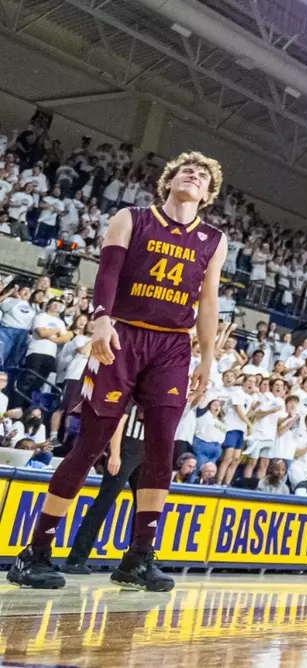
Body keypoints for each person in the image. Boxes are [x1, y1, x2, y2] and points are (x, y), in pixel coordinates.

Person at [7, 152, 224, 592]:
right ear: (170, 181)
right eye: (187, 170)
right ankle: (35, 553)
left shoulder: (213, 239)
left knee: (162, 451)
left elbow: (208, 301)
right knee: (89, 445)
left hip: (172, 346)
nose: (194, 176)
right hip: (122, 335)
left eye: (202, 176)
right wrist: (101, 317)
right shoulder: (132, 217)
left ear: (208, 194)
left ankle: (139, 558)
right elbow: (107, 272)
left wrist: (207, 358)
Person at [61, 405, 147, 575]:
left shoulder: (163, 396)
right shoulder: (136, 392)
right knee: (104, 502)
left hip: (146, 451)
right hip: (126, 448)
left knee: (144, 510)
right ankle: (76, 559)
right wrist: (115, 453)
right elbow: (119, 421)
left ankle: (136, 561)